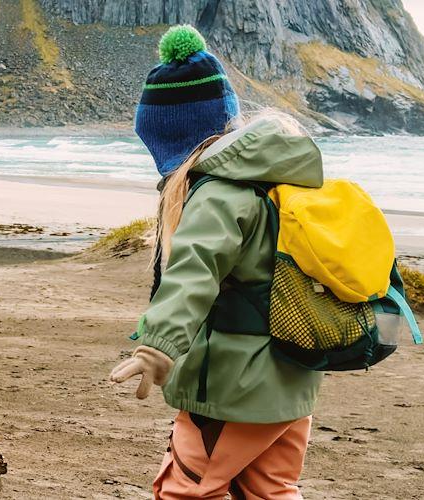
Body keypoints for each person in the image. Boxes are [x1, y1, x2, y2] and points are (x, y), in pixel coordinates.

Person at [111, 25, 328, 500]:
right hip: (291, 375)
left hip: (232, 384)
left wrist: (155, 348)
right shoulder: (278, 182)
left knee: (186, 490)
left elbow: (193, 275)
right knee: (269, 490)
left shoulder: (218, 194)